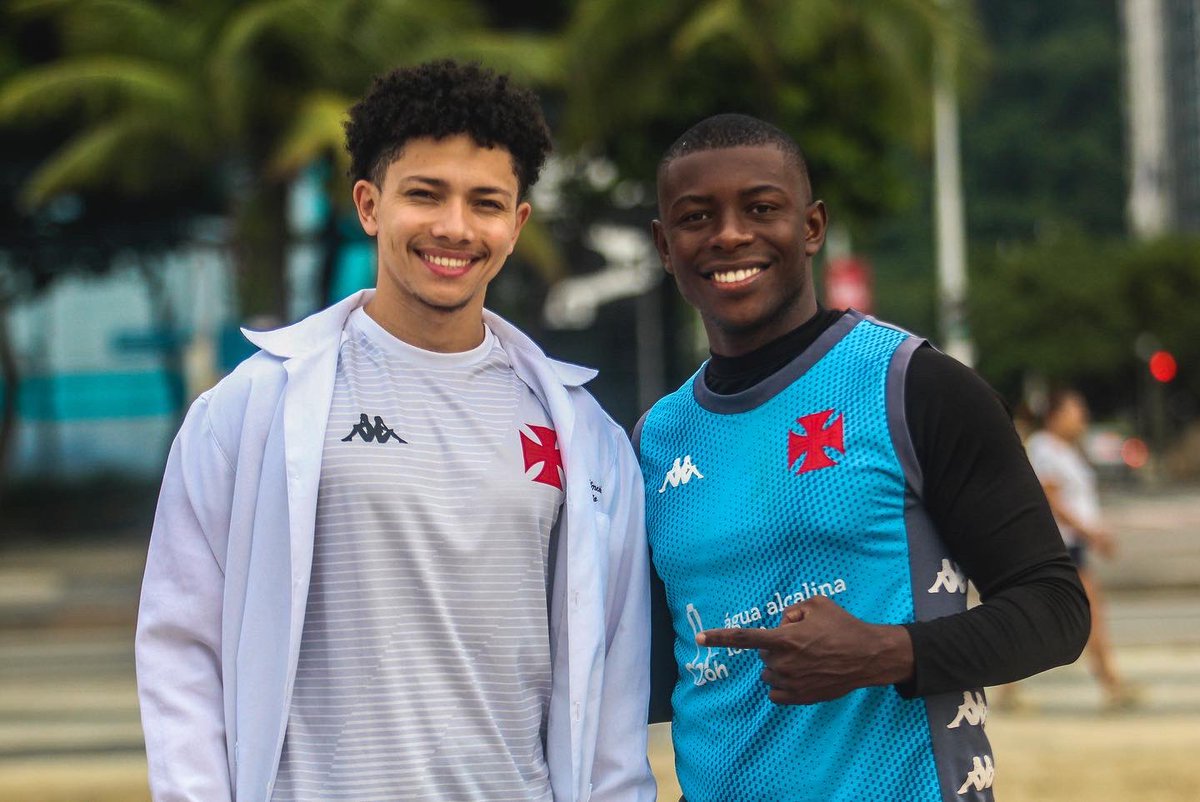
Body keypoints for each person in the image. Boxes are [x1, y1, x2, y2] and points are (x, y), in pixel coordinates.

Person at [135, 60, 656, 802]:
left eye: (485, 202)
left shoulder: (585, 436)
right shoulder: (250, 408)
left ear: (516, 226)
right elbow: (182, 647)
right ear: (369, 204)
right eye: (424, 194)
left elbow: (614, 698)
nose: (454, 227)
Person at [635, 113, 1090, 801]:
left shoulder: (914, 385)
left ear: (812, 226)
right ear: (665, 247)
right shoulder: (655, 439)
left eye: (761, 208)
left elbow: (1057, 610)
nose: (729, 235)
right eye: (696, 217)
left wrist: (886, 652)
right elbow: (648, 677)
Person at [1026, 388, 1137, 710]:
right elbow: (1052, 500)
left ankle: (1006, 687)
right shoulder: (1044, 448)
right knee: (1090, 612)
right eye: (1075, 410)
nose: (1081, 417)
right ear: (1054, 415)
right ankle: (1111, 683)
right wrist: (1091, 534)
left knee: (1047, 616)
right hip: (1060, 545)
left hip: (1073, 544)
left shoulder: (1067, 450)